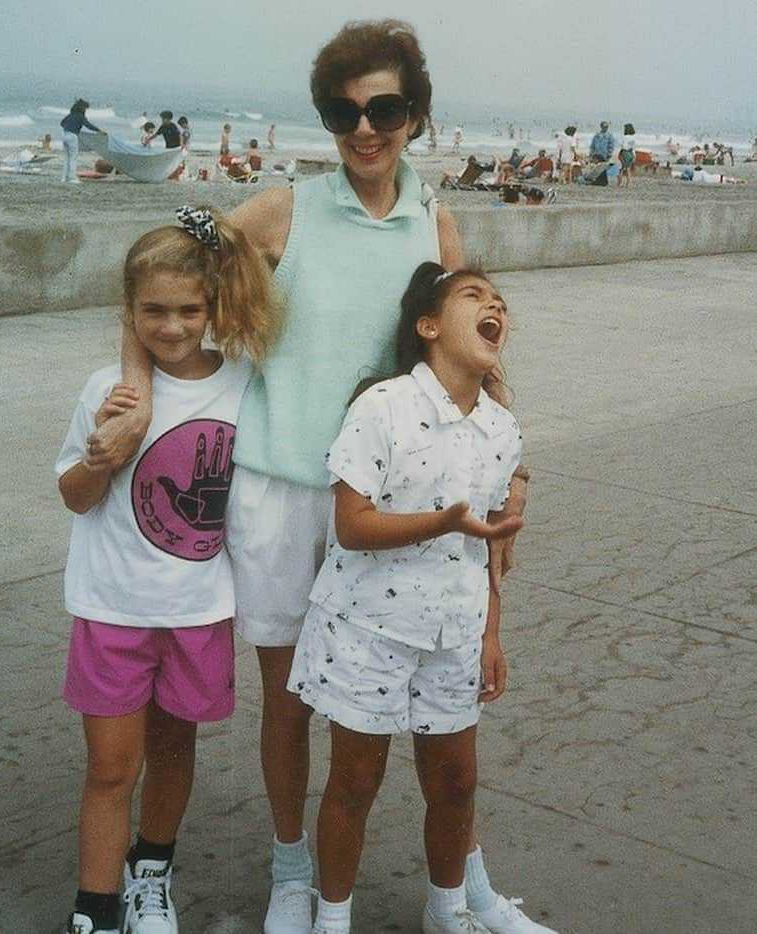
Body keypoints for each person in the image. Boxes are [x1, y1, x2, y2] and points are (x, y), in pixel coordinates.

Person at [90, 20, 528, 934]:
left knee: (429, 694)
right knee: (291, 696)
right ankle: (294, 875)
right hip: (285, 487)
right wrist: (136, 381)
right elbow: (162, 252)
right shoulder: (287, 207)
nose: (364, 129)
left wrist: (507, 463)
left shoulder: (431, 219)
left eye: (385, 108)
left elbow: (463, 346)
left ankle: (464, 886)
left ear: (416, 115)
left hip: (386, 497)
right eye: (343, 112)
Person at [289, 261, 553, 934]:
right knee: (353, 783)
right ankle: (332, 920)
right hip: (367, 629)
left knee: (457, 783)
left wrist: (491, 635)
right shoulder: (383, 406)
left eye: (499, 302)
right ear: (429, 326)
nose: (493, 307)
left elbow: (489, 545)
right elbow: (351, 525)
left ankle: (449, 912)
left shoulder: (502, 429)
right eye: (474, 297)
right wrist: (442, 520)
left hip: (454, 632)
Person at [55, 206, 282, 934]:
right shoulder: (107, 392)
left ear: (212, 306)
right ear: (129, 312)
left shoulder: (247, 384)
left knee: (174, 750)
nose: (174, 326)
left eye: (190, 309)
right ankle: (95, 908)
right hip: (112, 609)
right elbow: (73, 496)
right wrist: (98, 460)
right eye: (153, 310)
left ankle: (151, 873)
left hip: (198, 610)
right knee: (111, 769)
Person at [60, 99, 103, 184]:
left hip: (64, 135)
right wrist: (99, 130)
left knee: (67, 158)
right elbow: (88, 125)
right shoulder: (80, 116)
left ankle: (64, 178)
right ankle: (72, 178)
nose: (85, 110)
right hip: (72, 136)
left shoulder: (70, 115)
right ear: (82, 108)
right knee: (73, 158)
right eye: (85, 108)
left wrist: (70, 126)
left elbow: (62, 123)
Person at [617, 123, 636, 189]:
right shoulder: (633, 137)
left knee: (623, 169)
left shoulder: (624, 137)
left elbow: (622, 145)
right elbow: (633, 147)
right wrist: (634, 156)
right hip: (631, 152)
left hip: (625, 152)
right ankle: (628, 183)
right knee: (627, 168)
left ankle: (621, 183)